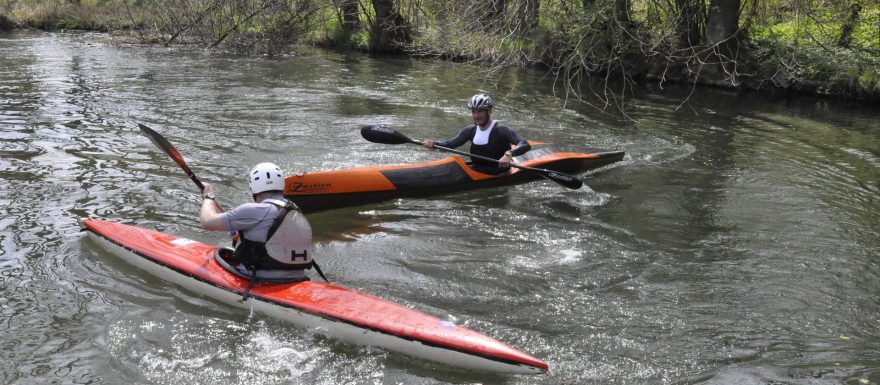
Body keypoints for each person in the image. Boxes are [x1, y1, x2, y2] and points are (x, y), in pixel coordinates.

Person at [199, 162, 312, 280]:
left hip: (263, 281)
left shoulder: (253, 210)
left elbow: (207, 222)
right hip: (298, 279)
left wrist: (208, 197)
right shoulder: (295, 210)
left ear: (253, 188)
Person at [423, 93, 531, 174]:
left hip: (499, 172)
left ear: (489, 111)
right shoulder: (470, 131)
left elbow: (525, 144)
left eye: (480, 111)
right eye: (473, 112)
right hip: (477, 171)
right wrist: (433, 144)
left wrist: (508, 155)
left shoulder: (500, 129)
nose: (476, 116)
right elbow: (449, 144)